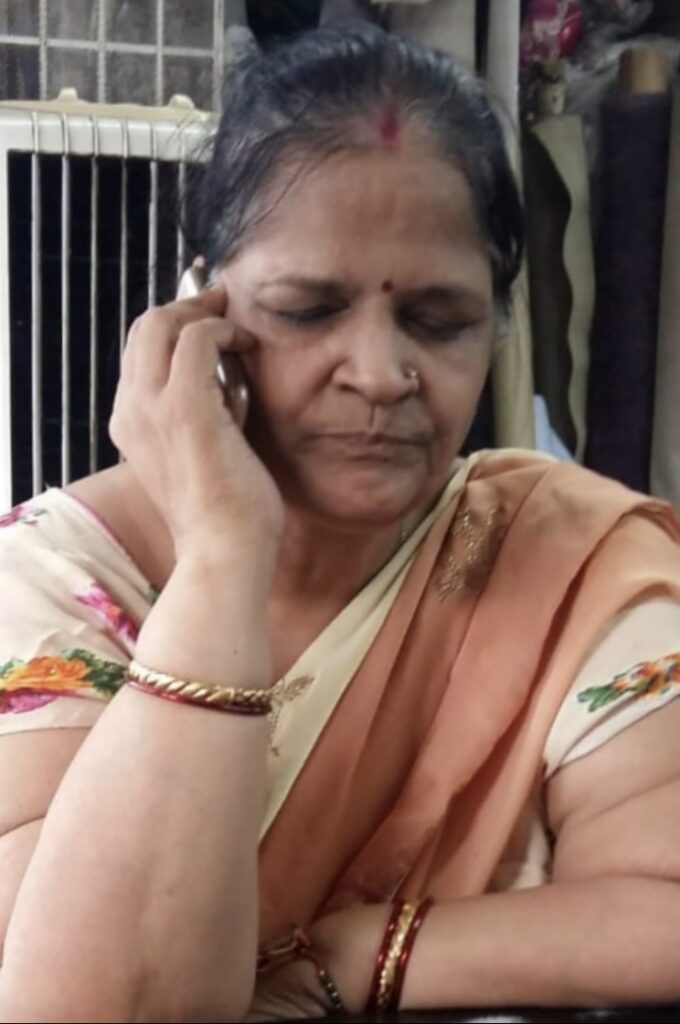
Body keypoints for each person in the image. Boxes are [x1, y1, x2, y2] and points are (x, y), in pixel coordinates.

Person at [1, 25, 680, 1024]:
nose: (379, 374)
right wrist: (224, 555)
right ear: (199, 311)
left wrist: (355, 951)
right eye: (308, 309)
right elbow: (95, 1005)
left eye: (439, 321)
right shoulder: (54, 584)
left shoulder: (561, 556)